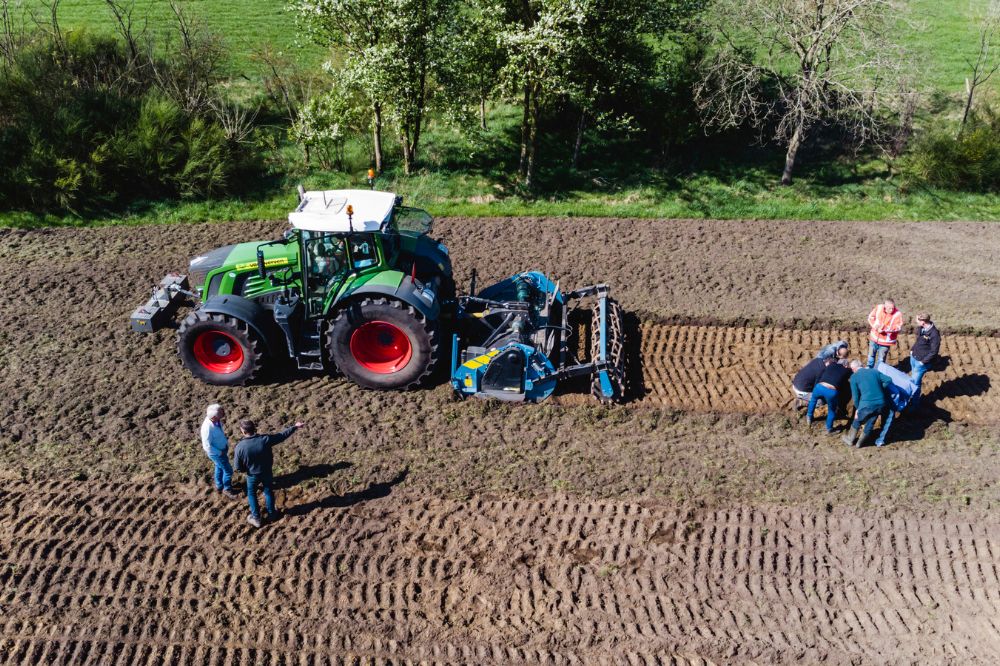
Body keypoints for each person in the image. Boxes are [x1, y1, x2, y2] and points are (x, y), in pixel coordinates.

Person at [234, 418, 305, 528]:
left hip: (252, 475)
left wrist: (245, 470)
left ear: (243, 431)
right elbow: (282, 436)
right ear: (254, 428)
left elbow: (238, 467)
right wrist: (295, 427)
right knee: (268, 491)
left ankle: (256, 517)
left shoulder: (240, 447)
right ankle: (272, 514)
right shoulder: (265, 439)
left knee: (252, 493)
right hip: (267, 472)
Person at [842, 361, 893, 448]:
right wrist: (881, 388)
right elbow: (888, 380)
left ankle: (850, 440)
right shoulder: (874, 371)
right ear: (862, 366)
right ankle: (859, 443)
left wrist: (858, 408)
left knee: (858, 420)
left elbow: (855, 396)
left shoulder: (854, 377)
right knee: (871, 422)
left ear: (854, 369)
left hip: (867, 403)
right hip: (881, 403)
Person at [200, 404, 238, 499]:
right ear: (213, 417)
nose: (223, 415)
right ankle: (227, 489)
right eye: (220, 414)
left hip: (221, 450)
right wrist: (219, 453)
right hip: (217, 453)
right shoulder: (207, 428)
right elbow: (206, 446)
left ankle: (219, 485)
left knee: (219, 467)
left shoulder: (216, 421)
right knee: (228, 471)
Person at [806, 357, 852, 434]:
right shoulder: (847, 370)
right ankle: (829, 429)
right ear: (846, 365)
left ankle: (809, 416)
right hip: (831, 391)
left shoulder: (831, 365)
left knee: (813, 400)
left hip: (819, 387)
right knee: (831, 410)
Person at [866, 299, 903, 368]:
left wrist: (884, 329)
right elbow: (871, 317)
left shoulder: (898, 314)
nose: (892, 310)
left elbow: (898, 327)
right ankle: (869, 370)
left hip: (885, 342)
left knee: (881, 359)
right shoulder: (879, 308)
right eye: (890, 308)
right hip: (874, 338)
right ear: (885, 306)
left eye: (893, 308)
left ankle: (878, 371)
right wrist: (876, 327)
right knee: (870, 356)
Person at [909, 313, 941, 392]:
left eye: (918, 320)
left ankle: (914, 403)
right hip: (914, 357)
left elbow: (934, 352)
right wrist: (912, 350)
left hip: (921, 362)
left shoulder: (934, 334)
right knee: (914, 378)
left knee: (915, 383)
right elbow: (918, 340)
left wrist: (922, 362)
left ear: (923, 322)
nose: (917, 322)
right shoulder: (921, 328)